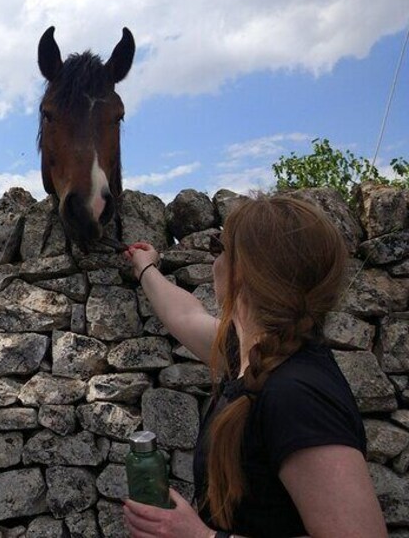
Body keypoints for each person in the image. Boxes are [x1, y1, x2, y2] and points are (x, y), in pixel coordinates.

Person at [121, 195, 387, 538]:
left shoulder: (297, 394)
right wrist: (146, 267)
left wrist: (201, 537)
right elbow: (185, 315)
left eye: (220, 246)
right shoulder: (255, 357)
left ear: (243, 269)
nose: (214, 258)